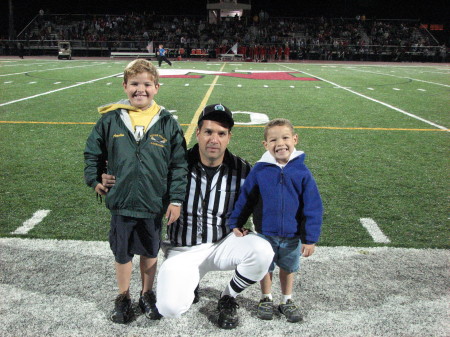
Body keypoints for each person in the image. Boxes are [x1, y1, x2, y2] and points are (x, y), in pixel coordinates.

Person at [102, 103, 274, 329]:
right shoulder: (176, 165)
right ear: (198, 133)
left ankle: (227, 297)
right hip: (183, 249)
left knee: (263, 250)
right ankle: (190, 283)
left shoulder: (242, 169)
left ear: (229, 137)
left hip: (223, 244)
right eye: (209, 132)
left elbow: (258, 203)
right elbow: (141, 174)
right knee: (169, 308)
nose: (214, 139)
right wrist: (105, 175)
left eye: (221, 134)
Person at [84, 59, 188, 324]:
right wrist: (95, 179)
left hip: (153, 202)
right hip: (122, 201)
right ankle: (123, 296)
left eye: (146, 84)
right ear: (124, 86)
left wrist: (175, 198)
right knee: (122, 253)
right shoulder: (111, 119)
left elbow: (178, 164)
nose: (140, 90)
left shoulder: (167, 122)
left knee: (150, 251)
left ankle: (146, 293)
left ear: (156, 87)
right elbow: (93, 152)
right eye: (134, 84)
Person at [228, 118, 323, 323]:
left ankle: (287, 300)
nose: (280, 143)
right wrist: (236, 222)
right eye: (273, 140)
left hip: (292, 235)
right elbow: (246, 198)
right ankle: (266, 298)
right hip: (265, 233)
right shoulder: (260, 171)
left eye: (285, 138)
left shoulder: (302, 172)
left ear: (295, 139)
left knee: (288, 269)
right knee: (266, 267)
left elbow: (313, 206)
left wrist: (310, 238)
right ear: (266, 145)